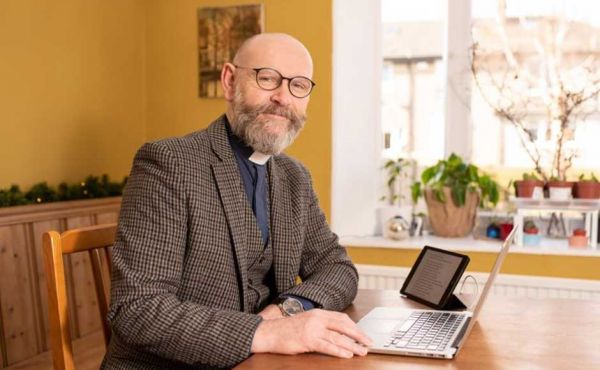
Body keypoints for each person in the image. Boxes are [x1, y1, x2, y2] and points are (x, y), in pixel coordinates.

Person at [101, 33, 371, 369]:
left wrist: (288, 310)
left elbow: (337, 268)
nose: (282, 98)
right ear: (230, 81)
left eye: (298, 85)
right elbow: (138, 308)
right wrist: (267, 333)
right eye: (268, 78)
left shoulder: (294, 177)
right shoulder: (167, 162)